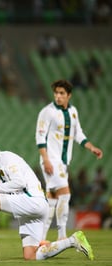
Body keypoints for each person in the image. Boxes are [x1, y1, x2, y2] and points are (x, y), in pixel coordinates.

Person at [0, 140, 94, 262]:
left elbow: (19, 182)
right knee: (31, 255)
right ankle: (73, 240)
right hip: (30, 211)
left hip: (33, 201)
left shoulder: (5, 158)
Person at [36, 79, 103, 241]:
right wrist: (46, 160)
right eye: (56, 93)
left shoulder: (73, 112)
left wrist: (91, 147)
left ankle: (41, 238)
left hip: (63, 162)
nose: (58, 96)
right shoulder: (47, 112)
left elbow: (78, 133)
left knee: (51, 199)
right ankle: (62, 235)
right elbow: (40, 136)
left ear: (69, 95)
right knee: (65, 195)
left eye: (62, 93)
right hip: (51, 160)